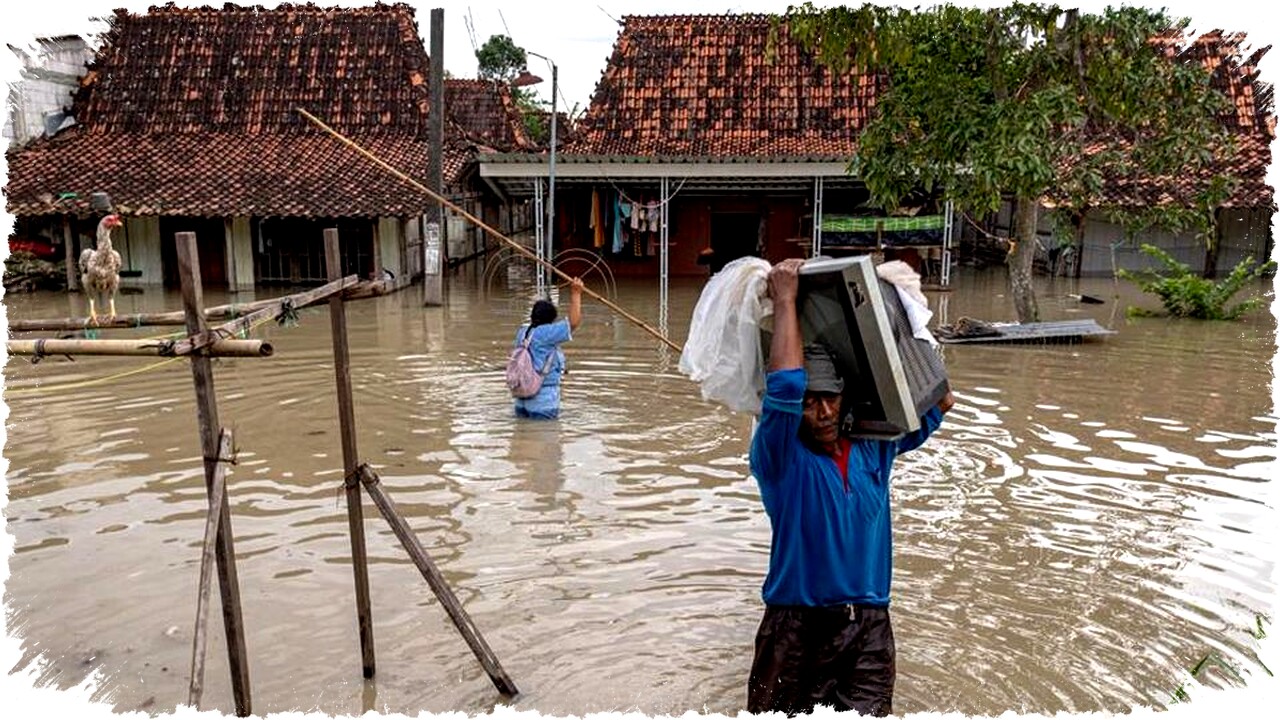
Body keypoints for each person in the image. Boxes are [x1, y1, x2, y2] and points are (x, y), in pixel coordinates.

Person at [746, 258, 955, 717]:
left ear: (845, 399)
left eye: (830, 399)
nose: (821, 412)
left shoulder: (873, 449)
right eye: (810, 402)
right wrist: (785, 301)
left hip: (869, 628)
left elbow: (939, 398)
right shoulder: (780, 457)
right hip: (795, 627)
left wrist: (896, 311)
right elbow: (782, 388)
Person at [512, 277, 583, 420]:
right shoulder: (546, 333)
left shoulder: (523, 332)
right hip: (542, 400)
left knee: (524, 436)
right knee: (546, 438)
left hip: (522, 397)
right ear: (551, 320)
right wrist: (576, 293)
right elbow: (573, 323)